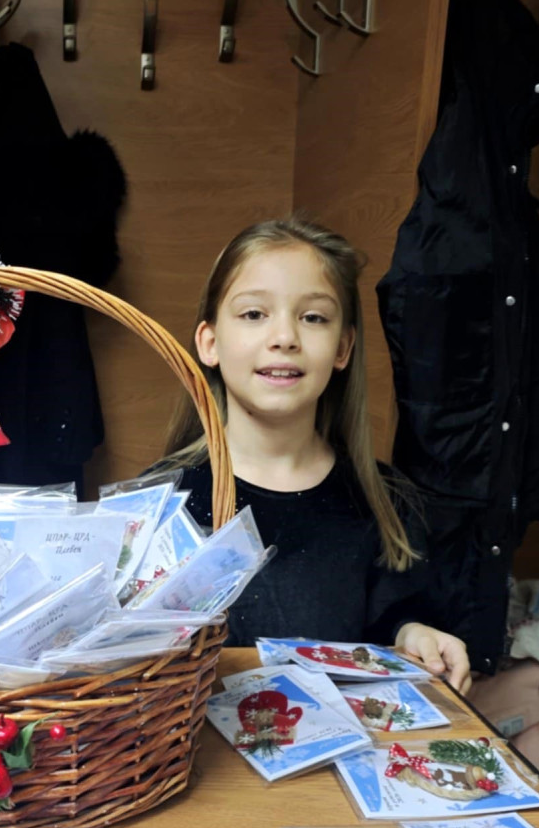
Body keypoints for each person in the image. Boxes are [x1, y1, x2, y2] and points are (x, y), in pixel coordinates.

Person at [159, 217, 471, 692]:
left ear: (342, 347)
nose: (285, 337)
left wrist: (415, 634)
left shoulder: (386, 503)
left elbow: (398, 617)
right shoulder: (163, 502)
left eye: (313, 318)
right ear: (209, 343)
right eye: (254, 314)